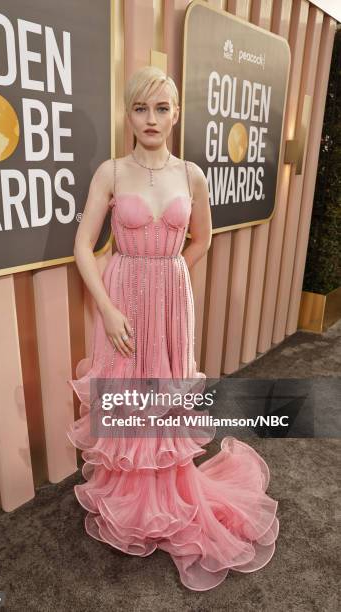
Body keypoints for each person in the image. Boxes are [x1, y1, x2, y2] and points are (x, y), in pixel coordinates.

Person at [67, 66, 279, 592]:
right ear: (128, 114)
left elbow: (202, 237)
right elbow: (82, 248)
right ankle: (129, 496)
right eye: (141, 108)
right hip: (122, 296)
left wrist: (174, 275)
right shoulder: (111, 172)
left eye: (162, 108)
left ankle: (167, 492)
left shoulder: (192, 175)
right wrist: (110, 310)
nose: (151, 118)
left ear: (177, 113)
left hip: (171, 298)